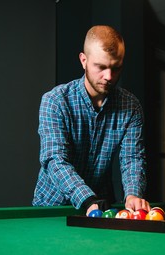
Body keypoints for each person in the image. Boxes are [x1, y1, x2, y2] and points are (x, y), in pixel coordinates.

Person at [32, 25, 150, 215]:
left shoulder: (131, 106)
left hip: (101, 206)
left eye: (116, 67)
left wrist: (133, 194)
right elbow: (55, 159)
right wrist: (87, 198)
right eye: (101, 67)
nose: (109, 77)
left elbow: (132, 158)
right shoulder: (54, 101)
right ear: (84, 60)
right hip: (52, 206)